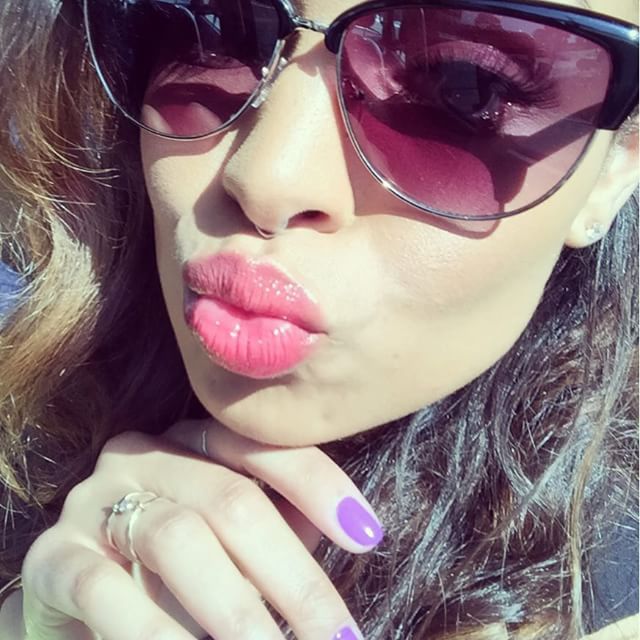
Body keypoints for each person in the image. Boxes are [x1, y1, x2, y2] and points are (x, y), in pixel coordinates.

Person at [0, 0, 638, 638]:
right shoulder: (23, 445)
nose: (265, 178)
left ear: (615, 170)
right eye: (215, 25)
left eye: (463, 90)